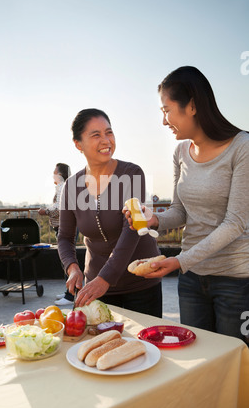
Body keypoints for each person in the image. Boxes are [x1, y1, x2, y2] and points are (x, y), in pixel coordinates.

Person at [125, 66, 249, 343]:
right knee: (199, 357)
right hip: (192, 279)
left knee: (236, 363)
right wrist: (152, 218)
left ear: (191, 105)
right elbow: (180, 211)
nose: (164, 120)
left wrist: (179, 261)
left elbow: (235, 222)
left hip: (235, 280)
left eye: (166, 110)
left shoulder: (243, 147)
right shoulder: (181, 152)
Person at [57, 108, 162, 316]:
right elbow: (65, 237)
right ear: (78, 144)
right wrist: (72, 268)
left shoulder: (132, 174)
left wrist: (105, 278)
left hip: (140, 283)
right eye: (96, 135)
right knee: (101, 344)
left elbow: (131, 230)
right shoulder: (70, 186)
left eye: (109, 132)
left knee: (145, 347)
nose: (106, 140)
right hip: (95, 286)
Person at [38, 163, 74, 305]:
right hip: (63, 227)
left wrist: (45, 212)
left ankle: (70, 296)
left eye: (54, 172)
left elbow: (60, 209)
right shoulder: (63, 187)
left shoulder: (63, 187)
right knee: (65, 260)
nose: (53, 174)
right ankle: (68, 292)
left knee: (68, 260)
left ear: (60, 174)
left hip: (65, 227)